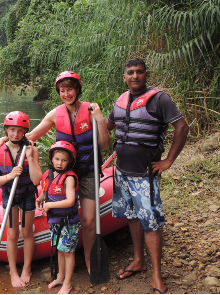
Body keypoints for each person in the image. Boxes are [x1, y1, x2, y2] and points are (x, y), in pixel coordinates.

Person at [0, 71, 110, 274]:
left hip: (88, 170)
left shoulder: (91, 110)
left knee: (89, 221)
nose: (66, 94)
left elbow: (105, 145)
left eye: (70, 89)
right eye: (62, 91)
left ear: (77, 90)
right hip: (64, 173)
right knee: (62, 216)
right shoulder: (55, 114)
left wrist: (99, 120)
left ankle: (90, 261)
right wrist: (6, 139)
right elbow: (29, 135)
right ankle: (64, 264)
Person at [106, 58, 189, 294]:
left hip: (145, 173)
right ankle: (138, 260)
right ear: (124, 77)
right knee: (132, 216)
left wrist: (169, 160)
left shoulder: (159, 99)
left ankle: (156, 274)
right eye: (130, 73)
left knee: (151, 222)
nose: (135, 76)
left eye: (139, 72)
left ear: (146, 74)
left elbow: (182, 127)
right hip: (121, 171)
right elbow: (108, 125)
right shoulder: (121, 100)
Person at [0, 111, 42, 287]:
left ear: (25, 131)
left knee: (27, 233)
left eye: (20, 130)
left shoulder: (31, 149)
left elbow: (36, 180)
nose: (15, 134)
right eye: (12, 129)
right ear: (6, 130)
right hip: (9, 196)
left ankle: (26, 268)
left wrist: (29, 157)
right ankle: (13, 271)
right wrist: (9, 176)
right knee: (12, 234)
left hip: (27, 194)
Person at [36, 141, 80, 294]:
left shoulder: (69, 178)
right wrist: (40, 199)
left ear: (70, 161)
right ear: (51, 158)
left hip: (69, 222)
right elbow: (46, 191)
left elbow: (70, 200)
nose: (59, 163)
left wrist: (50, 206)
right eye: (57, 159)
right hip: (55, 221)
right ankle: (60, 277)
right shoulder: (49, 174)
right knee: (60, 250)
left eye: (64, 160)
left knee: (67, 252)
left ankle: (67, 283)